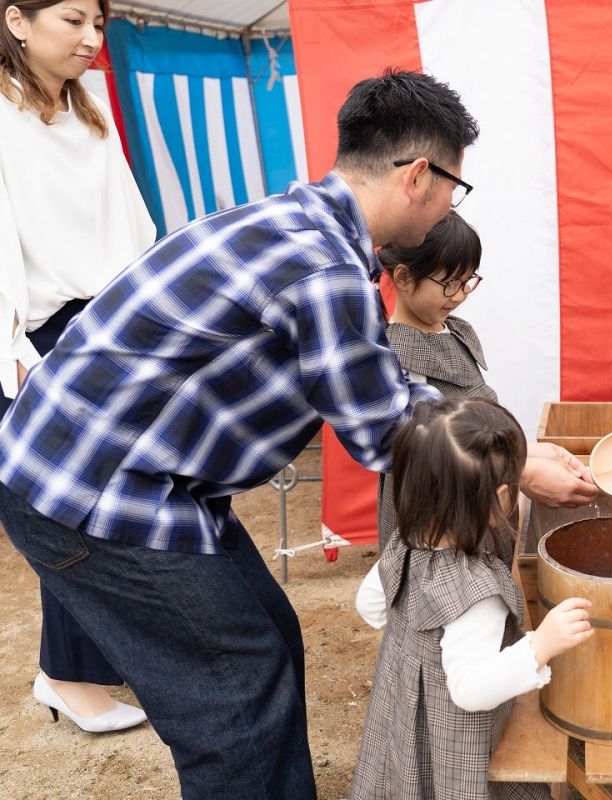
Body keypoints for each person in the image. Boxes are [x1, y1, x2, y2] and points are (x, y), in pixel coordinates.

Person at [0, 68, 479, 799]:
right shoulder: (325, 266)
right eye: (454, 187)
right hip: (92, 488)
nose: (451, 204)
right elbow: (383, 430)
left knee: (267, 634)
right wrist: (510, 458)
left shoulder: (293, 221)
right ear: (418, 175)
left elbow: (369, 381)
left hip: (118, 468)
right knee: (236, 692)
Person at [1, 0, 153, 733]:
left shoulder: (90, 104)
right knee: (67, 514)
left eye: (100, 24)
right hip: (36, 334)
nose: (94, 40)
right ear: (17, 20)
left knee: (112, 505)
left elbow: (131, 217)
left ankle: (81, 665)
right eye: (74, 21)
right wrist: (14, 349)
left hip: (110, 321)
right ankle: (66, 675)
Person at [355, 211, 598, 628]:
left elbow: (477, 417)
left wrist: (527, 449)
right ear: (404, 278)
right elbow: (434, 449)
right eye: (448, 282)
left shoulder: (453, 329)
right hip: (435, 515)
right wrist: (521, 470)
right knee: (441, 618)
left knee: (484, 603)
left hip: (482, 500)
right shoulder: (396, 357)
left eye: (468, 280)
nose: (460, 294)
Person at [350, 396, 593, 800]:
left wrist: (415, 648)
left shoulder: (404, 543)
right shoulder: (478, 595)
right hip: (452, 736)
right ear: (501, 498)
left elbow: (370, 605)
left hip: (402, 711)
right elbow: (470, 689)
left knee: (406, 779)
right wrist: (541, 644)